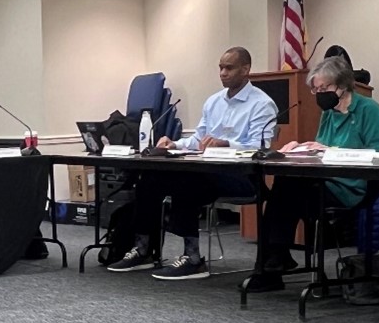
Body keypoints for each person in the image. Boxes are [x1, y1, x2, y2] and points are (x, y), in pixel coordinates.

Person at [105, 47, 276, 280]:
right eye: (220, 67)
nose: (223, 73)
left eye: (229, 68)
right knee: (150, 178)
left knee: (188, 179)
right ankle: (144, 248)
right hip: (207, 171)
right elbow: (198, 140)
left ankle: (193, 257)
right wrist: (174, 144)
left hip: (242, 177)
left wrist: (225, 143)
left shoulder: (262, 104)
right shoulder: (214, 102)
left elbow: (260, 147)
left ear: (245, 70)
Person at [242, 56, 379, 292]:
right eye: (316, 89)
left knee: (284, 191)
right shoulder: (329, 113)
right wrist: (300, 148)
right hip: (324, 181)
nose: (320, 94)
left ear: (342, 85)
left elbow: (378, 155)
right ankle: (273, 261)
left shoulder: (369, 110)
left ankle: (272, 265)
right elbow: (320, 151)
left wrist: (330, 150)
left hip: (352, 186)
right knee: (284, 183)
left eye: (324, 88)